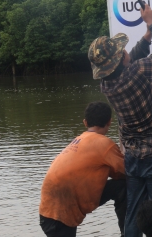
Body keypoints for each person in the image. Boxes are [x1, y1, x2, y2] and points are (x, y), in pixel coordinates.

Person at [88, 2, 152, 237]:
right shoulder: (139, 71)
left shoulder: (107, 85)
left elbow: (126, 63)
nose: (126, 51)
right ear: (120, 59)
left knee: (134, 215)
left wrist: (145, 38)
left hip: (133, 158)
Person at [39, 101, 126, 237]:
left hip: (49, 209)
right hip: (60, 215)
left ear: (85, 123)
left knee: (121, 186)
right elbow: (127, 171)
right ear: (110, 122)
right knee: (125, 186)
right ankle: (127, 233)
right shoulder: (105, 144)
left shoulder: (80, 139)